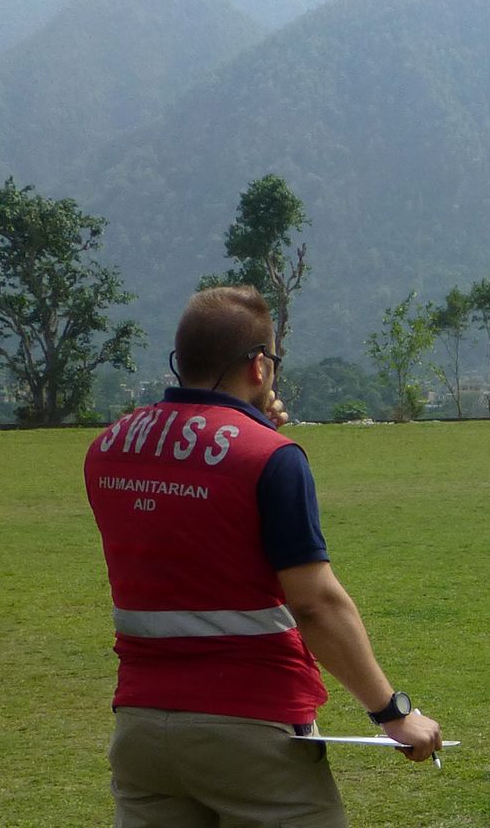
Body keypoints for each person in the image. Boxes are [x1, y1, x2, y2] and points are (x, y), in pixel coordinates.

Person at [83, 286, 441, 827]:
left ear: (182, 360)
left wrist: (251, 425)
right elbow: (316, 604)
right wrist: (393, 712)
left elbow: (191, 519)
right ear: (259, 365)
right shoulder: (273, 458)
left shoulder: (107, 448)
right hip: (253, 730)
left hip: (139, 730)